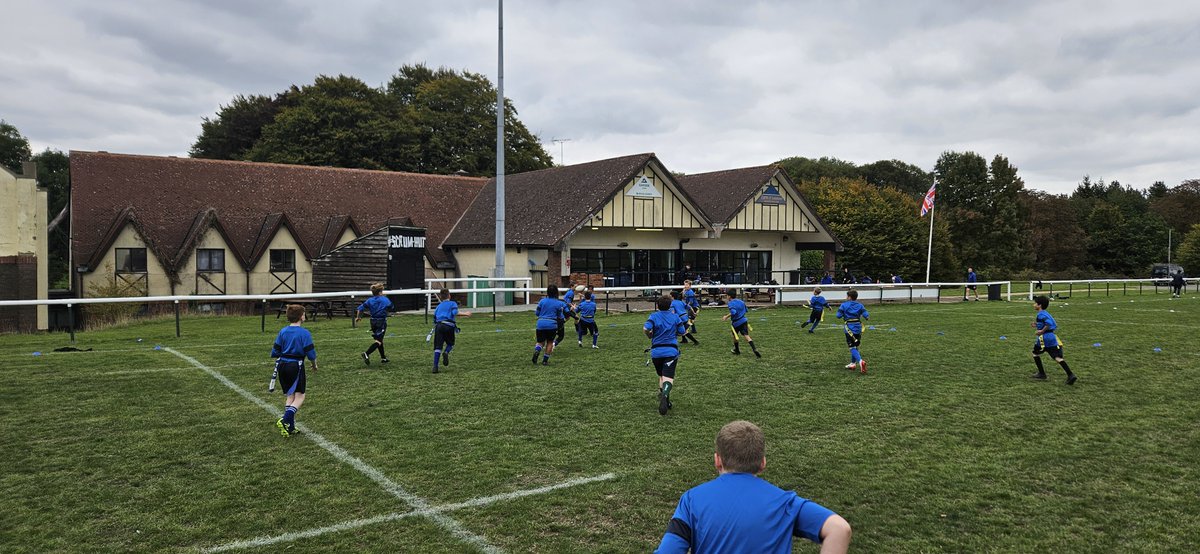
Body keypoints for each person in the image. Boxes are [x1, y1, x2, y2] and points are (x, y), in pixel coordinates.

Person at [655, 420, 852, 554]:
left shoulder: (692, 500)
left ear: (717, 460)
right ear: (763, 463)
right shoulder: (786, 503)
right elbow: (840, 529)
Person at [271, 304, 318, 437]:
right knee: (300, 395)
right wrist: (314, 365)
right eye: (304, 314)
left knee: (290, 395)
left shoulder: (283, 331)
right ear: (301, 316)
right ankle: (285, 420)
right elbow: (311, 354)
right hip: (295, 366)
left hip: (282, 365)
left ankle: (290, 426)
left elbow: (275, 351)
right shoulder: (304, 333)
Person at [645, 295, 686, 415]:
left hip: (656, 352)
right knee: (668, 377)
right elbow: (682, 332)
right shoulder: (675, 317)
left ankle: (665, 398)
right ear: (670, 306)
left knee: (661, 375)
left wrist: (649, 335)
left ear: (658, 305)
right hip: (671, 351)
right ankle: (665, 395)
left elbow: (645, 328)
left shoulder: (653, 316)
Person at [1030, 295, 1077, 385]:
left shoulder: (1040, 314)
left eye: (1035, 303)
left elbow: (1049, 323)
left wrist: (1041, 331)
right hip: (1052, 337)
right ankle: (1070, 375)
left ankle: (1042, 374)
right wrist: (1037, 324)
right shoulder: (1046, 313)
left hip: (1044, 338)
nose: (1034, 305)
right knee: (1057, 357)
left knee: (1035, 353)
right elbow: (1052, 324)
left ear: (1039, 305)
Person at [431, 288, 471, 373]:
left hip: (439, 326)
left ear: (441, 297)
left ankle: (435, 366)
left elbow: (434, 318)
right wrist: (465, 314)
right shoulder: (453, 303)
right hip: (449, 326)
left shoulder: (438, 306)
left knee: (438, 347)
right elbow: (454, 313)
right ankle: (446, 352)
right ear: (449, 295)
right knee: (451, 344)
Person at [355, 283, 393, 365]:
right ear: (380, 292)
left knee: (379, 339)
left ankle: (383, 358)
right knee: (378, 341)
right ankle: (366, 353)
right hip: (381, 321)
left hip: (372, 321)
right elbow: (391, 307)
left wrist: (358, 317)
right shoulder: (385, 299)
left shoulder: (370, 300)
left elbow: (360, 308)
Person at [835, 290, 869, 374]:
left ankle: (861, 361)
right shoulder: (860, 305)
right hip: (858, 327)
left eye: (847, 296)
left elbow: (838, 316)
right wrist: (866, 317)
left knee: (851, 347)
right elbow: (865, 314)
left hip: (849, 328)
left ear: (849, 297)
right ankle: (853, 363)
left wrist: (843, 313)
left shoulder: (844, 305)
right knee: (856, 345)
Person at [533, 285, 568, 365]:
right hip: (552, 324)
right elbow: (559, 316)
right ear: (556, 292)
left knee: (540, 342)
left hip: (541, 323)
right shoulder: (559, 303)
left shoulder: (542, 301)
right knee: (550, 342)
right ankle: (545, 361)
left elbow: (537, 313)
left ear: (547, 292)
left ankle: (537, 350)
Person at [722, 290, 761, 358]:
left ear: (729, 296)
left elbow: (733, 312)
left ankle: (737, 350)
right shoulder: (741, 301)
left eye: (727, 296)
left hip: (736, 323)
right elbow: (746, 310)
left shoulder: (730, 303)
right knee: (746, 335)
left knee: (735, 336)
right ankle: (754, 349)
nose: (727, 297)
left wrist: (726, 316)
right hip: (744, 320)